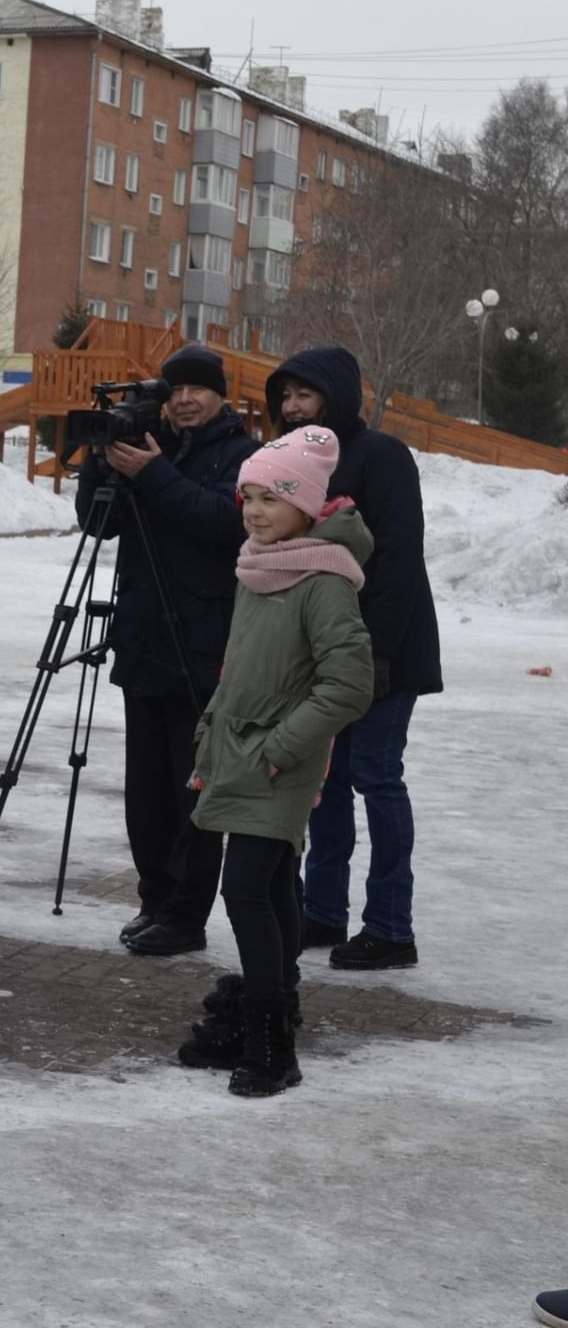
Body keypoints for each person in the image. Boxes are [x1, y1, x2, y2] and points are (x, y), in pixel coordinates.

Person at [179, 426, 373, 1096]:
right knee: (274, 887)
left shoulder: (322, 578)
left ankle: (271, 1042)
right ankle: (275, 1002)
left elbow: (348, 683)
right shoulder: (261, 565)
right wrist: (216, 732)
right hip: (241, 752)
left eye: (272, 497)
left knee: (244, 890)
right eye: (249, 497)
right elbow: (244, 670)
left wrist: (280, 748)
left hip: (277, 761)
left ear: (308, 505)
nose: (256, 511)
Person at [74, 344, 262, 957]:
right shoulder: (152, 443)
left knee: (192, 794)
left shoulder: (241, 456)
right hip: (144, 640)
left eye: (197, 389)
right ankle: (154, 899)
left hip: (204, 650)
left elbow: (222, 522)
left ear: (219, 396)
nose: (184, 400)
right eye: (175, 389)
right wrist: (104, 462)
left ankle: (186, 915)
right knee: (146, 793)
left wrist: (152, 474)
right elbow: (99, 525)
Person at [266, 347, 441, 970]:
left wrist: (378, 653)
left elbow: (397, 560)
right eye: (284, 396)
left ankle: (392, 927)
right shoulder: (296, 465)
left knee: (375, 775)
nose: (291, 408)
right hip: (321, 653)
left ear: (335, 396)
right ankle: (324, 911)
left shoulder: (381, 456)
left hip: (383, 651)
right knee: (327, 782)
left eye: (304, 395)